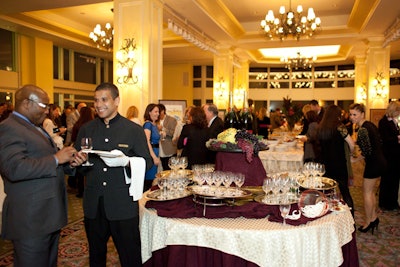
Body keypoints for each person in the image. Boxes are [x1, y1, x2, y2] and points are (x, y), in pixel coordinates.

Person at [0, 84, 86, 267]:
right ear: (26, 103)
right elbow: (13, 168)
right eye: (43, 106)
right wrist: (56, 158)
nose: (47, 111)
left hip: (46, 216)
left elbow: (43, 161)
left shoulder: (32, 126)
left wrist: (69, 163)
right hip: (31, 219)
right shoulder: (9, 127)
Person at [74, 82, 152, 266]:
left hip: (123, 204)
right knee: (96, 257)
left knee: (130, 257)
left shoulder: (133, 130)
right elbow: (79, 165)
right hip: (94, 205)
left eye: (104, 99)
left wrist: (127, 162)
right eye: (95, 100)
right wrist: (77, 163)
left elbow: (147, 162)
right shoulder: (87, 129)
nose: (99, 104)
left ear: (116, 101)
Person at [349, 103, 387, 233]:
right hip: (379, 161)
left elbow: (366, 151)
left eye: (355, 114)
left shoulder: (363, 129)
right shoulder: (369, 125)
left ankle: (368, 221)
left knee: (366, 193)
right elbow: (379, 143)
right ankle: (373, 218)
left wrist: (355, 159)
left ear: (362, 114)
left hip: (374, 164)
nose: (352, 117)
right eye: (351, 114)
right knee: (370, 192)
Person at [317, 104, 355, 215]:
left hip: (325, 164)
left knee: (325, 193)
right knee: (345, 192)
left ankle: (326, 217)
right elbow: (351, 144)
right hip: (339, 164)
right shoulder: (340, 126)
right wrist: (352, 154)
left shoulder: (321, 127)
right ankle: (351, 219)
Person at [378, 101, 400, 210]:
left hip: (395, 155)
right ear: (393, 110)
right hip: (388, 155)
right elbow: (385, 139)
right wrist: (397, 138)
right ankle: (385, 202)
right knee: (387, 179)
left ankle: (393, 201)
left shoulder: (394, 121)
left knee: (395, 180)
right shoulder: (383, 122)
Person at [71, 106, 95, 198]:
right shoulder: (92, 127)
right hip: (89, 152)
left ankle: (81, 191)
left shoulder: (78, 124)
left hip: (79, 150)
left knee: (80, 171)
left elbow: (73, 138)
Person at [143, 103, 161, 191]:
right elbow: (146, 141)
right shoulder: (148, 124)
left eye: (158, 112)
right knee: (149, 180)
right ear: (149, 112)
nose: (158, 113)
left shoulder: (154, 125)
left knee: (154, 179)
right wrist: (154, 157)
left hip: (156, 152)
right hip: (151, 154)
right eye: (155, 111)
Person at [158, 103, 178, 171]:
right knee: (163, 170)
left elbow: (173, 133)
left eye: (158, 112)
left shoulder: (172, 120)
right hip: (159, 149)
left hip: (169, 150)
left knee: (171, 170)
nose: (157, 114)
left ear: (163, 111)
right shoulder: (155, 121)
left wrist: (163, 128)